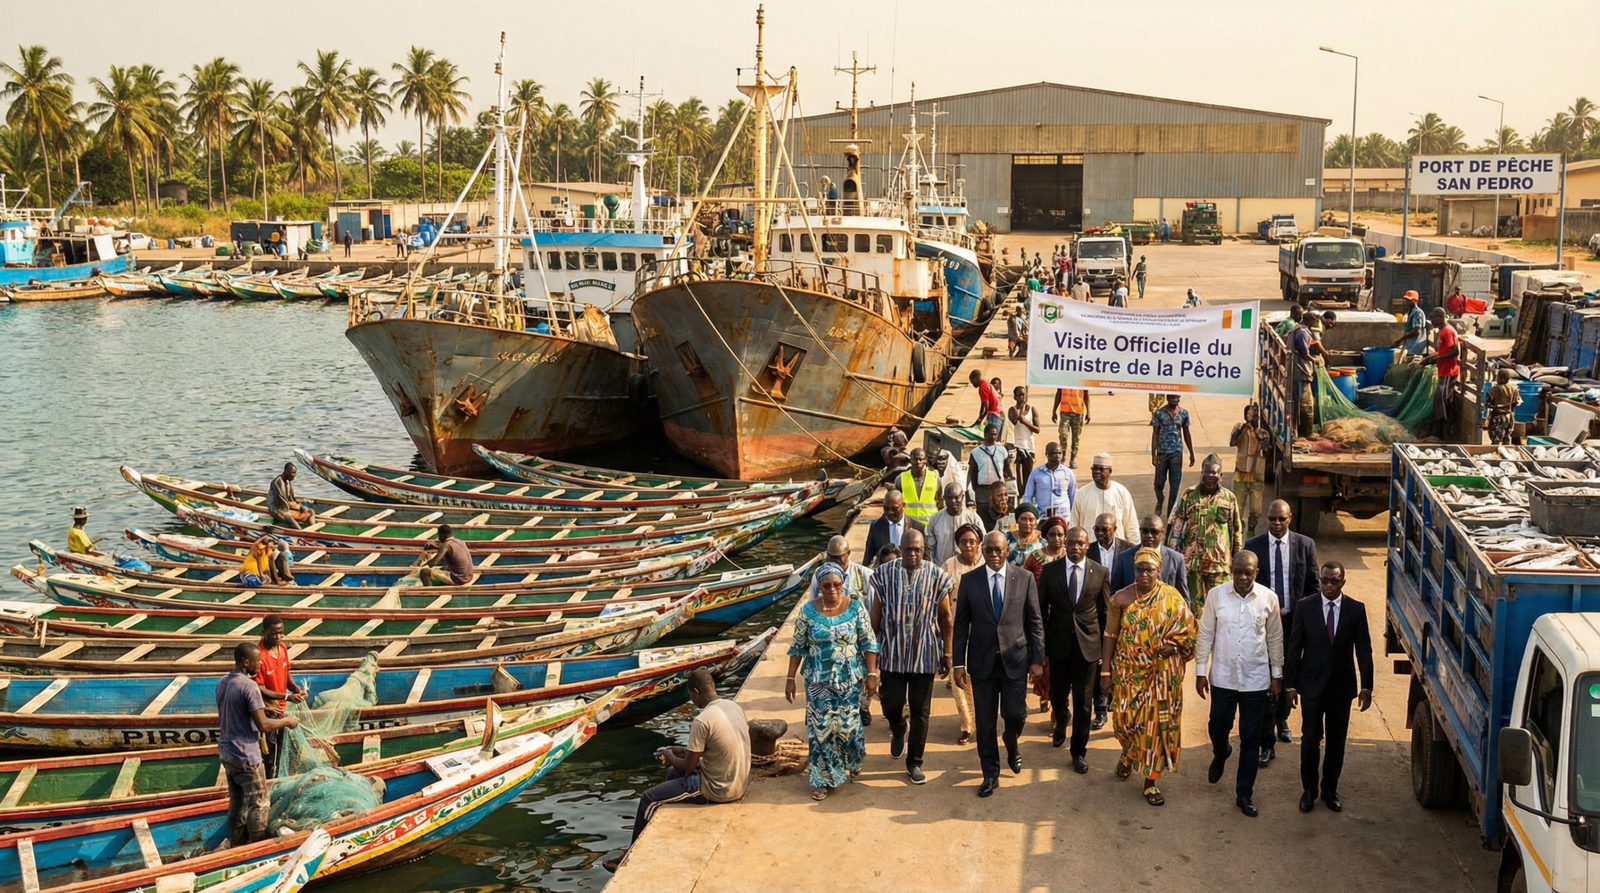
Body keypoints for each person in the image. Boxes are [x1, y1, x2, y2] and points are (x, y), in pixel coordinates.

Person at [1101, 547, 1197, 807]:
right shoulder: (1120, 598)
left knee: (1153, 728)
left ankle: (1150, 781)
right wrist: (1106, 672)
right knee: (1124, 723)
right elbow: (1110, 636)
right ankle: (1127, 754)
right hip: (1127, 674)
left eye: (1149, 570)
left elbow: (1190, 632)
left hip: (1161, 678)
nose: (1144, 574)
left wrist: (1174, 647)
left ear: (1159, 571)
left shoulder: (1172, 598)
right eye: (1139, 569)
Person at [952, 531, 1045, 798]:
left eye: (999, 550)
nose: (994, 555)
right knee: (985, 722)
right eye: (989, 550)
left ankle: (1012, 742)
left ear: (1007, 551)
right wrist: (958, 663)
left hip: (1015, 659)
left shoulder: (1024, 579)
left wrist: (1037, 659)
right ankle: (990, 773)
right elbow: (961, 625)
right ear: (983, 550)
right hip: (982, 663)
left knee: (1016, 714)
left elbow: (1035, 621)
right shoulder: (970, 581)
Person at [1195, 551, 1283, 817]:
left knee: (1250, 737)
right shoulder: (1216, 596)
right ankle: (1221, 752)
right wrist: (1200, 671)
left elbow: (1275, 638)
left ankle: (1244, 793)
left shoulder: (1269, 599)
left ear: (1256, 573)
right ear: (1230, 570)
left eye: (1248, 573)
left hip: (1256, 680)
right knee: (1217, 725)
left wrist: (1276, 675)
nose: (1243, 578)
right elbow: (1206, 632)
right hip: (1223, 677)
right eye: (1238, 572)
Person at [1284, 561, 1374, 814]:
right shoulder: (1305, 607)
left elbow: (1364, 649)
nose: (1329, 585)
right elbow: (1295, 647)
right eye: (1325, 580)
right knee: (1310, 740)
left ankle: (1330, 790)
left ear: (1343, 582)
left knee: (1337, 743)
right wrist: (1290, 684)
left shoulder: (1356, 610)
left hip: (1341, 689)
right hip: (1311, 685)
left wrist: (1367, 686)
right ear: (1320, 581)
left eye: (1334, 581)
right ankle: (1309, 791)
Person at [786, 562, 879, 800]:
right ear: (819, 586)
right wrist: (790, 678)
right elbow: (797, 646)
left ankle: (855, 758)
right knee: (821, 730)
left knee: (848, 727)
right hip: (818, 681)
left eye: (837, 584)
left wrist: (871, 674)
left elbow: (868, 643)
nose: (832, 589)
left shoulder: (856, 608)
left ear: (843, 584)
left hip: (849, 678)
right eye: (827, 585)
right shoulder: (808, 612)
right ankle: (823, 780)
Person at [868, 530, 954, 785]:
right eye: (908, 549)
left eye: (917, 549)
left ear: (924, 548)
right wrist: (869, 651)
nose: (912, 554)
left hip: (924, 654)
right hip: (891, 653)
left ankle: (914, 762)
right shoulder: (883, 575)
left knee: (920, 711)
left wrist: (947, 652)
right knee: (890, 705)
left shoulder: (937, 576)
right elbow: (876, 614)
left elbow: (946, 617)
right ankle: (897, 728)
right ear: (901, 549)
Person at [634, 669, 751, 838]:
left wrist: (668, 755)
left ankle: (631, 849)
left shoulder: (702, 720)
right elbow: (711, 749)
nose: (691, 698)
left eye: (690, 694)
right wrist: (680, 751)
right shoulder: (733, 706)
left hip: (719, 789)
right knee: (673, 772)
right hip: (738, 781)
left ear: (696, 692)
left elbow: (688, 764)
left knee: (648, 798)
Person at [1245, 499, 1320, 762]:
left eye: (1282, 519)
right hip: (1265, 624)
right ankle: (1267, 741)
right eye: (1272, 519)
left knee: (1290, 673)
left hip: (1294, 622)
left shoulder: (1305, 545)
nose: (1277, 524)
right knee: (1267, 677)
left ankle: (1282, 720)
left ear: (1291, 519)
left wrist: (1309, 621)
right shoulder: (1253, 546)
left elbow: (1313, 586)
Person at [1038, 526, 1108, 773]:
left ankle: (1078, 751)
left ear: (1087, 545)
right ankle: (1061, 721)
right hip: (1058, 646)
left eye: (1080, 543)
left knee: (1084, 703)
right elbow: (1039, 611)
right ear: (1064, 544)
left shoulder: (1100, 573)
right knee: (1057, 696)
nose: (1075, 547)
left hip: (1088, 648)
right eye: (1071, 543)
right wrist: (1042, 645)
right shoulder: (1050, 571)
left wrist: (1104, 652)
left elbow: (1105, 614)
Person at [217, 643, 299, 845]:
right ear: (246, 662)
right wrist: (286, 722)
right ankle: (257, 847)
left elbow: (239, 712)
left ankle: (237, 843)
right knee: (260, 803)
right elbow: (263, 725)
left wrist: (265, 710)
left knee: (238, 801)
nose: (260, 664)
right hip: (246, 755)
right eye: (257, 661)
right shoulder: (250, 686)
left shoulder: (223, 682)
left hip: (227, 752)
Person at [1165, 454, 1245, 612]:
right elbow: (1177, 528)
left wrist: (1237, 558)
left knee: (1222, 607)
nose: (1210, 476)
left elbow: (1236, 530)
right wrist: (1172, 558)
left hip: (1220, 566)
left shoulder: (1229, 498)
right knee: (1194, 608)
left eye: (1215, 473)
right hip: (1193, 565)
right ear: (1201, 473)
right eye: (1207, 472)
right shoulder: (1189, 495)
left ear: (1221, 475)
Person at [941, 522, 985, 745]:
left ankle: (982, 721)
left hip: (983, 629)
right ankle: (967, 726)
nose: (968, 546)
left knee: (979, 677)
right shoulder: (949, 566)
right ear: (957, 544)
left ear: (979, 544)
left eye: (972, 542)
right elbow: (941, 598)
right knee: (958, 676)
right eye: (963, 542)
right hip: (957, 629)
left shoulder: (987, 563)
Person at [254, 615, 307, 778]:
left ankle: (280, 776)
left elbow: (285, 672)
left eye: (281, 633)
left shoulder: (282, 648)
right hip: (269, 711)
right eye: (273, 634)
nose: (277, 637)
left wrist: (294, 688)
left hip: (282, 709)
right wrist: (287, 697)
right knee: (270, 751)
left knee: (282, 746)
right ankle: (270, 779)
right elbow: (260, 688)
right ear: (264, 633)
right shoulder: (260, 656)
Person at [1109, 515, 1190, 603]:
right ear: (1140, 531)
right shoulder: (1123, 558)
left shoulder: (1176, 559)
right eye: (1145, 531)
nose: (1149, 535)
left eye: (1154, 532)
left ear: (1162, 533)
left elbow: (1183, 598)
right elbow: (1114, 596)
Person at [1070, 452, 1138, 540]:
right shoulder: (1081, 494)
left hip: (1117, 550)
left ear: (1110, 471)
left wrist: (1135, 550)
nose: (1097, 472)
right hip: (1090, 549)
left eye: (1101, 469)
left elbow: (1131, 527)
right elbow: (1074, 526)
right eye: (1094, 469)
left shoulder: (1121, 493)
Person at [1417, 307, 1460, 440]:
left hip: (1448, 372)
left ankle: (1443, 433)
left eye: (1434, 317)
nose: (1432, 320)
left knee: (1441, 402)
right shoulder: (1442, 332)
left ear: (1440, 317)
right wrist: (1429, 358)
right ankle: (1438, 431)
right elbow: (1443, 351)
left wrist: (1436, 359)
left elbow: (1454, 352)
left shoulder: (1447, 332)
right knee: (1438, 402)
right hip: (1443, 371)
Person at [1150, 394, 1195, 518]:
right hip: (1162, 454)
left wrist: (1191, 452)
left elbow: (1186, 433)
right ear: (1167, 398)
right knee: (1159, 483)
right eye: (1172, 398)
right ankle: (1160, 500)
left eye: (1177, 398)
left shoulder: (1184, 413)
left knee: (1174, 486)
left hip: (1176, 454)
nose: (1175, 400)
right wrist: (1154, 453)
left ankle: (1170, 515)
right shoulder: (1159, 413)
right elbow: (1155, 434)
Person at [1229, 403, 1271, 536]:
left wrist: (1256, 429)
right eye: (1249, 414)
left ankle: (1252, 528)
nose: (1252, 417)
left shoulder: (1264, 433)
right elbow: (1233, 442)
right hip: (1240, 474)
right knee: (1238, 508)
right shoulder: (1239, 427)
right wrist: (1245, 428)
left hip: (1256, 476)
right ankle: (1239, 529)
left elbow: (1266, 450)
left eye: (1255, 415)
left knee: (1256, 510)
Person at [863, 490, 926, 569]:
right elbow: (868, 559)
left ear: (903, 505)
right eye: (886, 508)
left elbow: (926, 558)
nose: (890, 512)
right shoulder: (876, 527)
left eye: (894, 508)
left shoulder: (918, 527)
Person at [927, 482, 984, 565]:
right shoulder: (935, 519)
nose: (953, 501)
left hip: (968, 570)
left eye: (957, 497)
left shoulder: (973, 518)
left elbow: (982, 544)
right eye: (949, 498)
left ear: (963, 497)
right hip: (942, 570)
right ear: (944, 498)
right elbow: (929, 548)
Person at [968, 424, 1012, 529]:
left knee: (999, 512)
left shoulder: (1002, 450)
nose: (994, 437)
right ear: (985, 435)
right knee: (983, 514)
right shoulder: (976, 452)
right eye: (991, 434)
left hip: (998, 488)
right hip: (983, 489)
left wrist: (1012, 481)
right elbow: (972, 472)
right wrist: (973, 488)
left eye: (996, 435)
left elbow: (1008, 467)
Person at [806, 535, 871, 602]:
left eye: (838, 557)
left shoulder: (866, 575)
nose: (834, 561)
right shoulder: (819, 574)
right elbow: (812, 603)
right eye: (831, 556)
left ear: (848, 553)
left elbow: (872, 608)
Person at [1023, 442, 1077, 520]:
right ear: (1047, 454)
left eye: (1059, 453)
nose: (1057, 456)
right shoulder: (1036, 473)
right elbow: (1028, 496)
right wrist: (1028, 513)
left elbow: (1074, 496)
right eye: (1054, 453)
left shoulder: (1068, 473)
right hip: (1042, 518)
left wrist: (1074, 517)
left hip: (1063, 518)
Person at [888, 447, 940, 526]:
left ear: (925, 460)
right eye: (915, 459)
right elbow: (895, 502)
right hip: (909, 525)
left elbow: (941, 502)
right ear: (910, 460)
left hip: (930, 526)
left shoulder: (934, 478)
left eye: (921, 459)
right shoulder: (901, 479)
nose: (918, 462)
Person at [1288, 312, 1320, 439]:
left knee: (1296, 403)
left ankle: (1295, 432)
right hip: (1300, 371)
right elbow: (1302, 352)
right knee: (1306, 403)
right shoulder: (1302, 332)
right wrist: (1315, 360)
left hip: (1295, 370)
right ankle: (1307, 432)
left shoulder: (1298, 329)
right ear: (1310, 321)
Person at [1007, 387, 1040, 491]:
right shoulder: (1012, 410)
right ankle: (1020, 495)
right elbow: (1014, 421)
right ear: (1015, 397)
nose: (1022, 397)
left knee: (1028, 475)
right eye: (1020, 395)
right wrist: (1020, 411)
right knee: (1018, 477)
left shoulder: (1032, 410)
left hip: (1029, 447)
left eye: (1024, 395)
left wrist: (1024, 421)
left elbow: (1037, 429)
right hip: (1017, 446)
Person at [1051, 386, 1090, 469]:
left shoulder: (1082, 379)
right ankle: (1063, 456)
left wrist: (1088, 412)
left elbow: (1086, 394)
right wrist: (1054, 411)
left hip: (1078, 413)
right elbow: (1059, 393)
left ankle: (1073, 458)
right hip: (1064, 412)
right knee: (1063, 435)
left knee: (1076, 438)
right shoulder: (1064, 378)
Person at [267, 463, 314, 529]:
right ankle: (300, 531)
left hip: (287, 506)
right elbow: (282, 501)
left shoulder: (288, 482)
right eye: (292, 473)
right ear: (286, 472)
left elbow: (291, 498)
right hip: (277, 508)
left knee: (311, 511)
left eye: (295, 473)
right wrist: (295, 508)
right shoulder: (278, 481)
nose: (294, 475)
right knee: (288, 517)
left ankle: (313, 528)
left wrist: (300, 506)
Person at [1486, 368, 1521, 445]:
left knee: (1496, 439)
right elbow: (1517, 402)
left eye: (1497, 377)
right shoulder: (1513, 388)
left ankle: (1495, 453)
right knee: (1507, 437)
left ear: (1500, 379)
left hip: (1498, 416)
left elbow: (1488, 399)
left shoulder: (1495, 389)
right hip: (1510, 416)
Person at [1392, 290, 1429, 358]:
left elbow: (1416, 331)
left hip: (1417, 349)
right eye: (1406, 300)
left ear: (1415, 301)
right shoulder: (1411, 312)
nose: (1407, 302)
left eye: (1409, 300)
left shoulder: (1417, 312)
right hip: (1411, 348)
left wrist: (1401, 339)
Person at [1005, 503, 1044, 567]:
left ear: (1035, 522)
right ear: (1017, 521)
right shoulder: (1007, 538)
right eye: (1023, 519)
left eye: (1031, 520)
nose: (1027, 523)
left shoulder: (1043, 539)